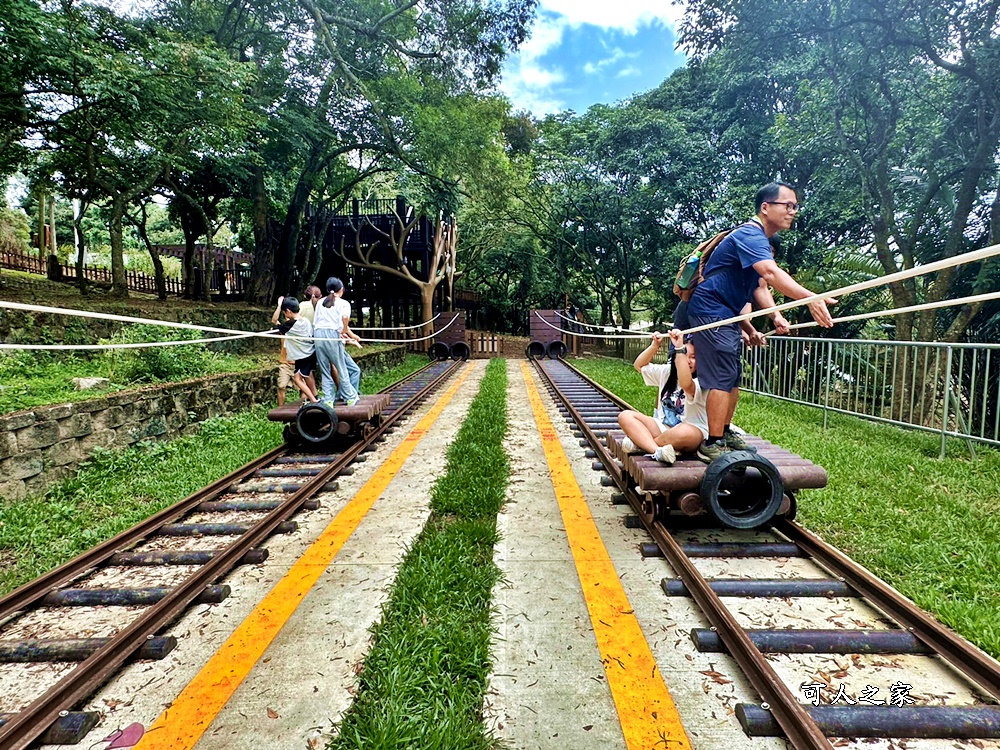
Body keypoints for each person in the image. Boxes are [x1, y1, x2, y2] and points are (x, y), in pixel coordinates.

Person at [685, 181, 835, 463]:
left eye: (795, 206)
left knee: (732, 375)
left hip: (726, 312)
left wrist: (776, 316)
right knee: (721, 376)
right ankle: (712, 442)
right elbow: (770, 272)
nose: (792, 211)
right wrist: (810, 298)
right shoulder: (750, 235)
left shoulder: (758, 241)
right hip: (711, 309)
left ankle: (724, 432)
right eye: (787, 205)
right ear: (766, 207)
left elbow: (759, 287)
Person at [616, 330, 709, 464]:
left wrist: (679, 348)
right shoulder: (667, 372)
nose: (688, 361)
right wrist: (655, 346)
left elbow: (685, 383)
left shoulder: (702, 382)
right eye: (684, 355)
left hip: (692, 430)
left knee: (682, 432)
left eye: (693, 357)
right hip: (663, 427)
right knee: (625, 416)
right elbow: (639, 365)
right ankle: (657, 451)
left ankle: (641, 445)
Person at [313, 277, 360, 407]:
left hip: (318, 335)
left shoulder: (320, 302)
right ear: (342, 289)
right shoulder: (344, 303)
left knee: (325, 369)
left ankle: (328, 399)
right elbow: (345, 318)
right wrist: (344, 330)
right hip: (332, 335)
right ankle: (350, 397)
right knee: (341, 367)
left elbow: (315, 322)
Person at [271, 296, 319, 404]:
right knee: (308, 375)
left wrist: (279, 305)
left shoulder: (291, 325)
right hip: (310, 353)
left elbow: (274, 320)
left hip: (304, 356)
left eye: (284, 312)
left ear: (288, 311)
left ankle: (313, 400)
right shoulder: (305, 321)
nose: (284, 315)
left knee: (298, 379)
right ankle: (315, 395)